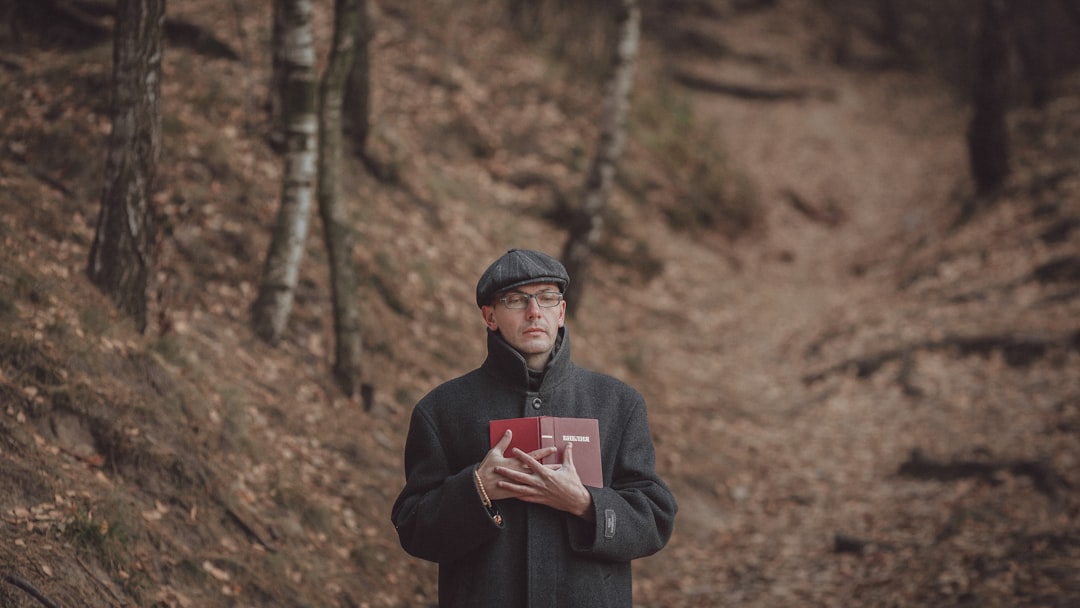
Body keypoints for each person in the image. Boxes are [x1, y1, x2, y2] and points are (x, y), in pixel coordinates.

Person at [391, 248, 677, 607]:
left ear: (561, 312)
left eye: (546, 297)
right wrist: (476, 489)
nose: (533, 311)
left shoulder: (618, 404)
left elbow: (656, 519)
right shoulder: (441, 410)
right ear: (489, 315)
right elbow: (413, 528)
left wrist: (586, 504)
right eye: (515, 300)